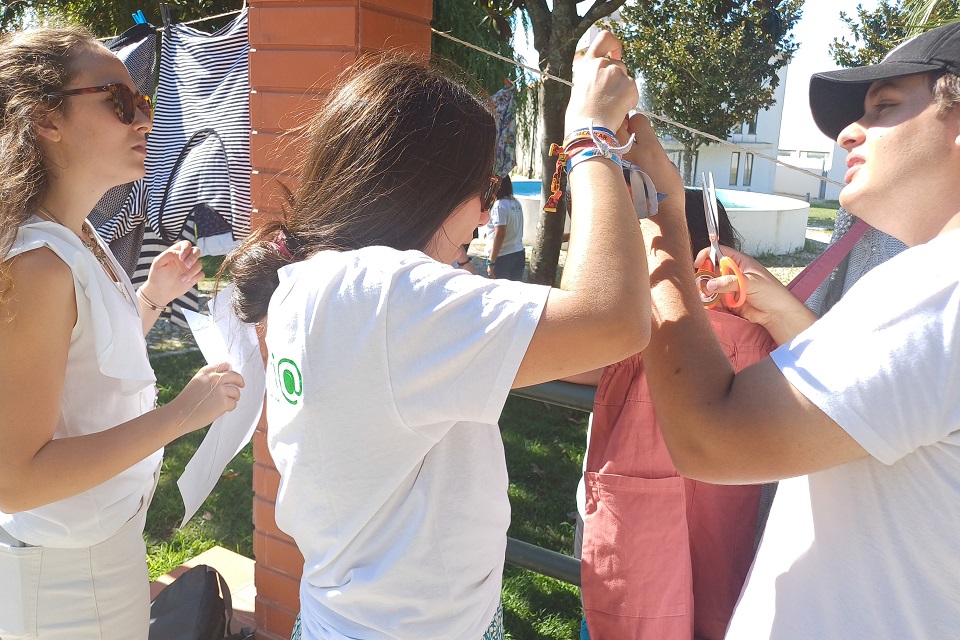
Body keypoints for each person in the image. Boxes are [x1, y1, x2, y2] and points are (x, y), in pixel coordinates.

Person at [223, 32, 674, 640]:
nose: (488, 216)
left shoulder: (319, 286)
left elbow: (584, 354)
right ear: (421, 188)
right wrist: (591, 137)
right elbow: (613, 321)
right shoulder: (382, 296)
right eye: (482, 190)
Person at [633, 21, 960, 637]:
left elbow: (708, 437)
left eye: (886, 105)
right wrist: (783, 311)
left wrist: (659, 217)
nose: (848, 133)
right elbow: (891, 414)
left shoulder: (937, 285)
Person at [0, 26, 245, 640]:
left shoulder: (80, 237)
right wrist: (180, 415)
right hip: (58, 582)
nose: (146, 118)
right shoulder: (37, 265)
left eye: (146, 100)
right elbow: (15, 477)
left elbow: (83, 370)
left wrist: (151, 297)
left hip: (100, 549)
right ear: (46, 119)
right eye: (121, 101)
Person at [569, 189, 770, 640]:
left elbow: (572, 353)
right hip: (722, 533)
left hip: (632, 542)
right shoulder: (759, 335)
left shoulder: (635, 331)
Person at [485, 175, 525, 281]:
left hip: (503, 256)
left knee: (500, 293)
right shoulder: (516, 203)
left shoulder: (499, 205)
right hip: (518, 252)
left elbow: (500, 234)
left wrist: (491, 261)